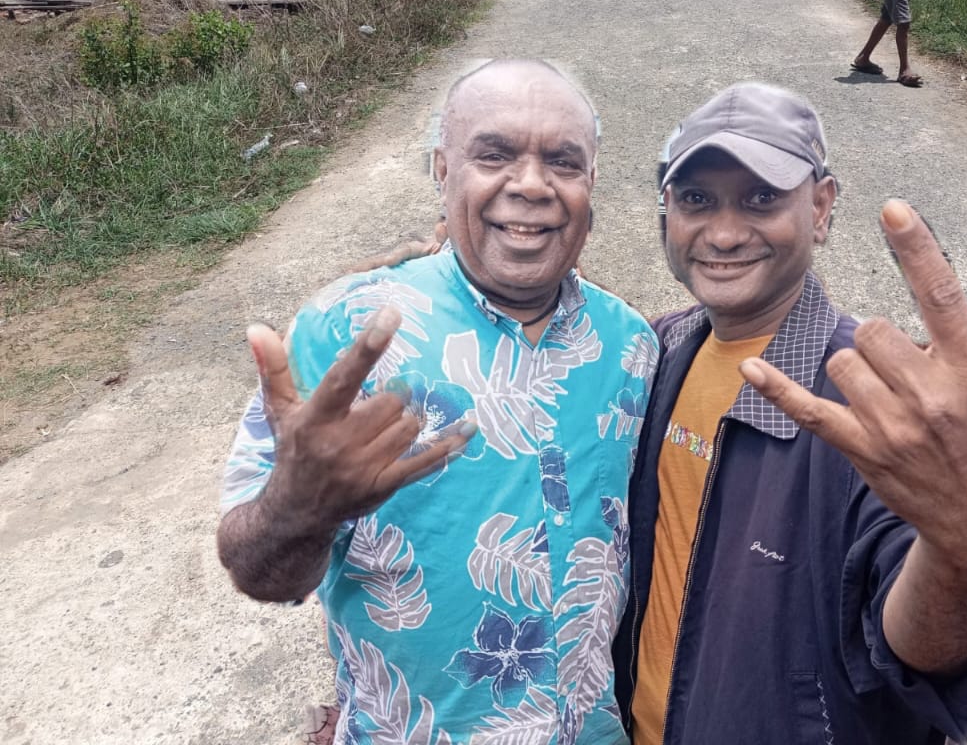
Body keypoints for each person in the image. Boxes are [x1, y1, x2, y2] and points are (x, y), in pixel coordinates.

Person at [216, 60, 659, 744]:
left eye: (563, 162)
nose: (533, 184)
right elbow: (257, 571)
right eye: (495, 154)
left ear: (590, 185)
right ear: (442, 169)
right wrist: (299, 509)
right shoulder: (344, 332)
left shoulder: (631, 346)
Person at [612, 83, 967, 743]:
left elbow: (921, 650)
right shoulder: (660, 348)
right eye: (697, 199)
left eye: (762, 198)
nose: (725, 233)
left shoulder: (875, 404)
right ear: (665, 212)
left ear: (820, 207)